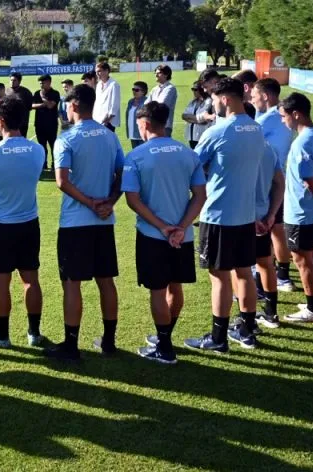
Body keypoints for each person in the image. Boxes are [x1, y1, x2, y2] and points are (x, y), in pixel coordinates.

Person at [120, 102, 207, 365]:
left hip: (152, 236)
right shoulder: (188, 153)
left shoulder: (135, 156)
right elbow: (200, 195)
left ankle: (165, 347)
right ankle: (165, 336)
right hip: (182, 236)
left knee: (157, 291)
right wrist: (181, 227)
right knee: (175, 286)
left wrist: (161, 226)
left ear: (144, 124)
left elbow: (133, 200)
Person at [184, 78, 264, 353]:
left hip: (218, 214)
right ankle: (247, 328)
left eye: (214, 99)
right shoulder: (256, 129)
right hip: (245, 213)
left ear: (225, 99)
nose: (212, 104)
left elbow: (192, 165)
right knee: (244, 273)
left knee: (219, 277)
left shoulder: (217, 131)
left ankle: (218, 338)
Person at [45, 84, 124, 362]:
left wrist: (91, 203)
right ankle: (109, 341)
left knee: (72, 283)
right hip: (104, 222)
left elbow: (62, 181)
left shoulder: (66, 139)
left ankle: (71, 344)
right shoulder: (110, 137)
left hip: (75, 223)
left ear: (75, 105)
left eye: (68, 105)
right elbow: (122, 175)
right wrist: (109, 202)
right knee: (106, 281)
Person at [0, 97, 46, 348]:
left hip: (0, 226)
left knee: (1, 282)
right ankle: (34, 333)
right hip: (29, 223)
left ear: (1, 121)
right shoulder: (38, 150)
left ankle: (2, 335)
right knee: (31, 279)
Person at [279, 93, 313, 321]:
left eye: (284, 117)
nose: (284, 122)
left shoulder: (301, 143)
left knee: (302, 259)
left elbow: (309, 179)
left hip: (300, 211)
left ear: (296, 114)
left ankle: (312, 309)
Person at [240, 103, 285, 330]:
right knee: (265, 264)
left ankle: (246, 322)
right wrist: (271, 215)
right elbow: (280, 183)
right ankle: (271, 314)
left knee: (240, 271)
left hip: (241, 218)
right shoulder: (268, 148)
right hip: (263, 217)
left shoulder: (238, 147)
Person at [251, 78, 297, 293]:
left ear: (266, 96)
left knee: (264, 230)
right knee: (276, 228)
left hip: (265, 180)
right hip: (279, 178)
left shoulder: (269, 118)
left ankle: (261, 279)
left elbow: (246, 137)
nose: (252, 99)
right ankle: (283, 275)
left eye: (254, 95)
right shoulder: (282, 116)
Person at [32, 74, 61, 170]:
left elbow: (50, 106)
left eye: (43, 83)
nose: (41, 85)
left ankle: (55, 164)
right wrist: (43, 104)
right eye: (40, 83)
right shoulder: (36, 93)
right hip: (39, 124)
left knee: (53, 145)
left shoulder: (55, 93)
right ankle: (44, 164)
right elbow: (32, 106)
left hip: (52, 124)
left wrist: (43, 98)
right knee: (42, 146)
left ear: (49, 82)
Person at [145, 65, 178, 136]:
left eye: (159, 73)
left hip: (164, 126)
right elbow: (146, 104)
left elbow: (160, 104)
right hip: (152, 124)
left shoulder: (170, 88)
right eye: (155, 73)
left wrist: (151, 106)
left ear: (166, 74)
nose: (156, 75)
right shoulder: (154, 89)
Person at [93, 62, 121, 132]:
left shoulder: (114, 85)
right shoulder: (99, 84)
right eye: (96, 71)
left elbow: (115, 105)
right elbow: (97, 102)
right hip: (98, 120)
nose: (97, 73)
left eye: (99, 71)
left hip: (108, 122)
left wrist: (107, 120)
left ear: (106, 71)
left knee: (107, 142)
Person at [181, 82, 209, 148]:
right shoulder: (192, 102)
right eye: (192, 89)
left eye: (195, 89)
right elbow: (184, 116)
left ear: (201, 90)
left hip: (202, 136)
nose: (193, 91)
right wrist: (198, 120)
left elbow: (204, 121)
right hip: (191, 136)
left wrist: (190, 118)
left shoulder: (208, 102)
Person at [6, 72, 34, 138]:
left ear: (19, 81)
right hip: (9, 124)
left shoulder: (26, 92)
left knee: (22, 142)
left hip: (22, 123)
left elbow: (29, 107)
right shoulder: (6, 91)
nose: (12, 82)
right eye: (11, 80)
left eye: (14, 80)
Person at [126, 81, 148, 148]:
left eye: (137, 90)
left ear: (143, 91)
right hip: (132, 134)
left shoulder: (147, 101)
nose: (134, 91)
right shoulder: (130, 101)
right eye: (133, 89)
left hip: (142, 135)